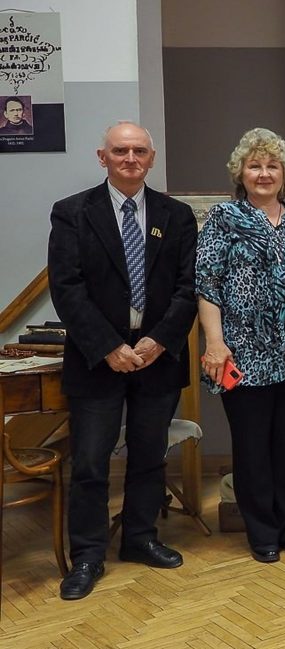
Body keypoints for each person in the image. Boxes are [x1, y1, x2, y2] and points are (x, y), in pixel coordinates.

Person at [48, 122, 198, 600]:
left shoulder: (176, 216)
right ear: (102, 157)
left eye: (138, 151)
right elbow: (67, 289)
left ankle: (139, 538)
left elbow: (188, 288)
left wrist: (156, 341)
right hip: (97, 358)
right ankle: (88, 555)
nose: (130, 159)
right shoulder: (73, 213)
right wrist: (110, 346)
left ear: (152, 158)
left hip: (159, 354)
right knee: (91, 462)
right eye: (120, 151)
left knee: (150, 455)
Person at [196, 128, 285, 563]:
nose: (263, 173)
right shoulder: (223, 218)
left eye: (272, 165)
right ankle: (263, 531)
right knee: (252, 446)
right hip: (243, 352)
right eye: (255, 165)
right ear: (241, 171)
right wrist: (215, 343)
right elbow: (207, 285)